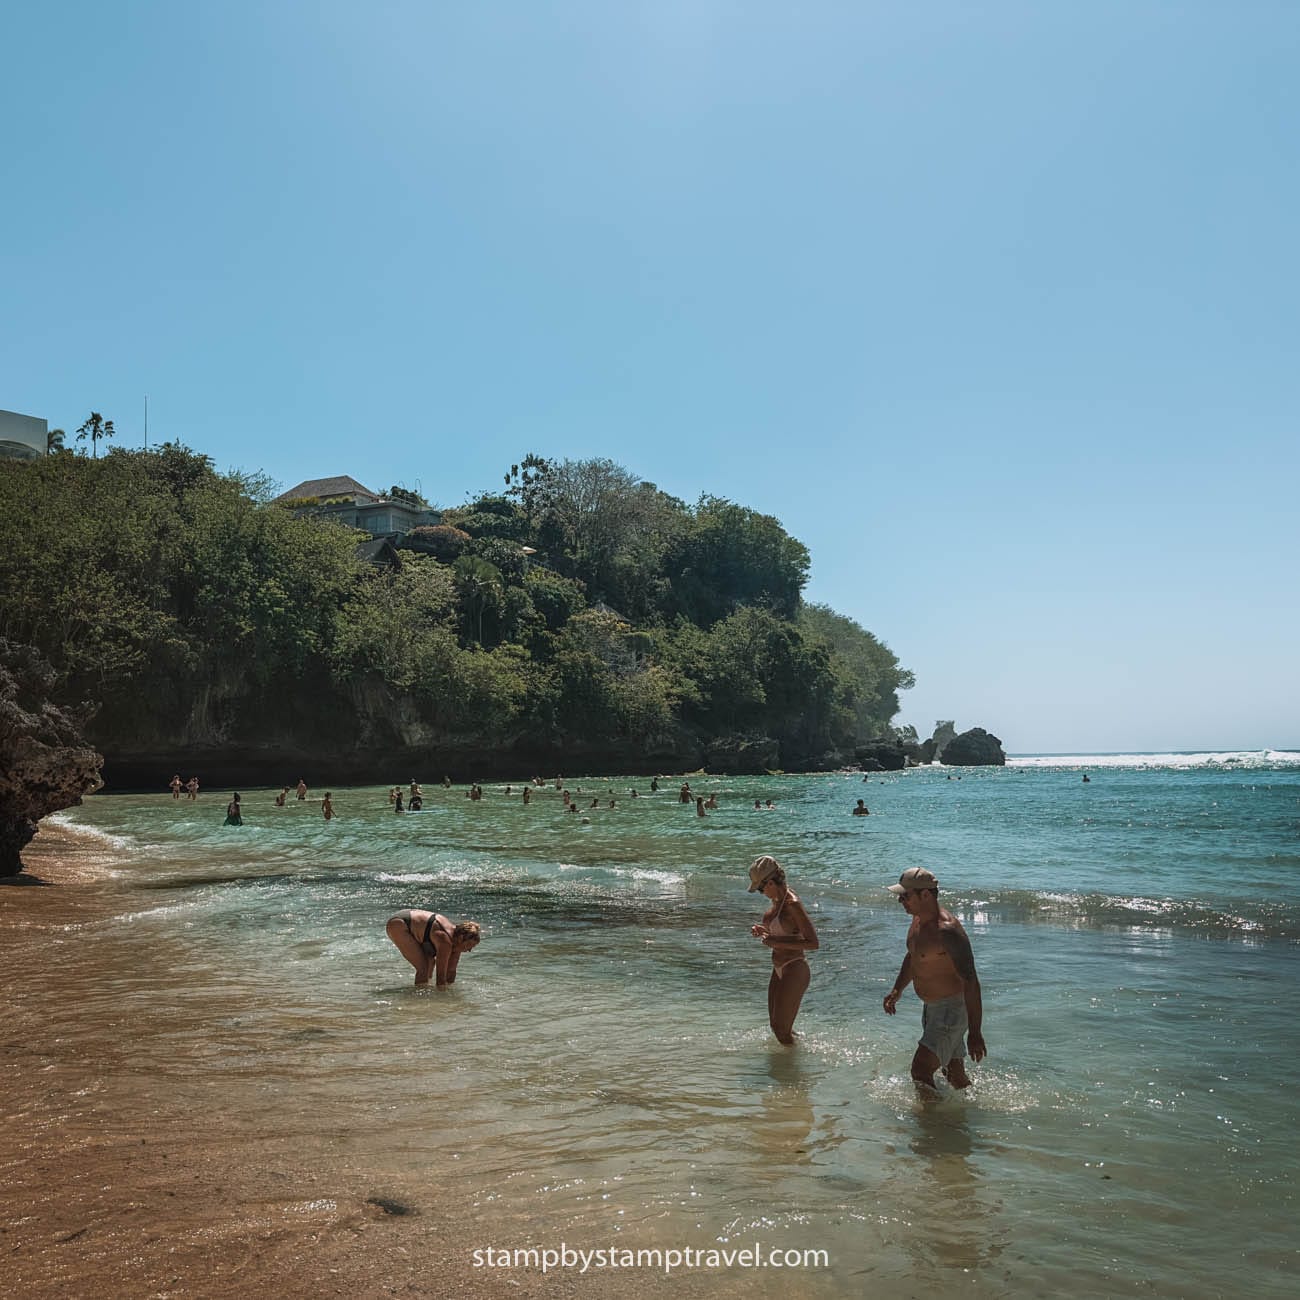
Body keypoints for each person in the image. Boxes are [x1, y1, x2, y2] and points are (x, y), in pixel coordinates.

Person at [882, 867, 986, 1092]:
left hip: (952, 1011)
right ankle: (966, 1117)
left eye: (905, 895)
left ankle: (933, 1124)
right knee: (953, 1074)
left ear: (926, 895)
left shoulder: (947, 932)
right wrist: (897, 989)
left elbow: (971, 982)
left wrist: (975, 1033)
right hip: (932, 1009)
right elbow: (913, 957)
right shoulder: (917, 921)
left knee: (920, 1070)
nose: (901, 900)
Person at [747, 855, 818, 1045]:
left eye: (761, 888)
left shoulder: (792, 904)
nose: (762, 893)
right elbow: (785, 933)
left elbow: (813, 943)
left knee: (781, 1031)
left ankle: (793, 1070)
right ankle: (797, 1055)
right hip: (778, 967)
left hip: (794, 967)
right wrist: (765, 932)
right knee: (776, 1026)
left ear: (770, 882)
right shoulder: (777, 902)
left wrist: (775, 941)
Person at [385, 911, 483, 988]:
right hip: (399, 924)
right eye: (469, 945)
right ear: (461, 938)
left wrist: (451, 990)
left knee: (430, 962)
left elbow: (451, 971)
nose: (469, 950)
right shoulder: (444, 940)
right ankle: (419, 999)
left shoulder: (457, 942)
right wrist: (442, 998)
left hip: (417, 928)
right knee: (424, 967)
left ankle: (424, 989)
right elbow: (440, 976)